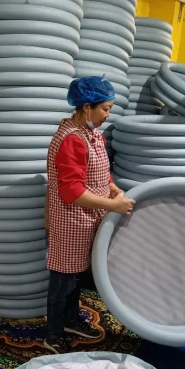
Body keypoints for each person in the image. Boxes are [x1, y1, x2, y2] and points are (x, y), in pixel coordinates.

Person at [45, 76, 135, 354]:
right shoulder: (72, 139)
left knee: (76, 277)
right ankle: (53, 335)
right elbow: (71, 191)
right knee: (62, 281)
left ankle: (71, 321)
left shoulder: (92, 134)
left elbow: (98, 171)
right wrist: (113, 206)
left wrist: (113, 188)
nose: (108, 114)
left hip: (87, 220)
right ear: (87, 106)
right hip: (71, 220)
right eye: (105, 108)